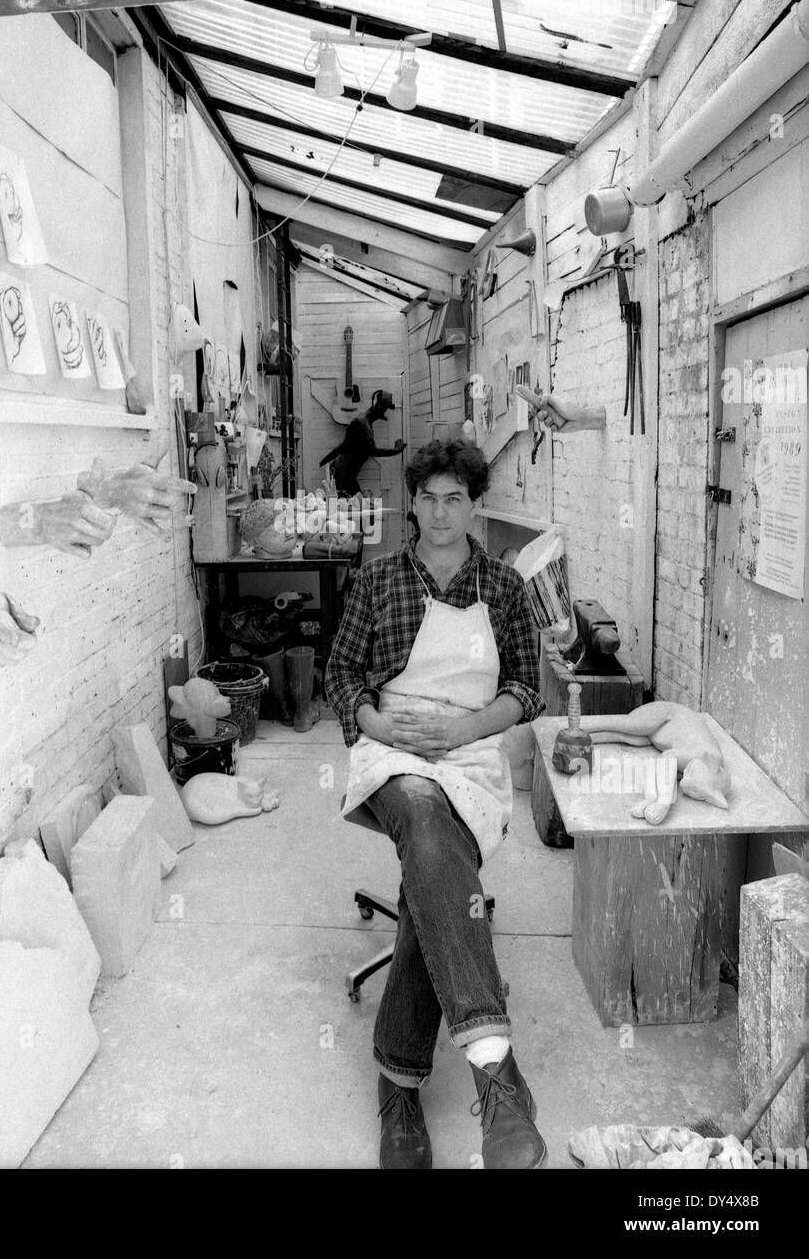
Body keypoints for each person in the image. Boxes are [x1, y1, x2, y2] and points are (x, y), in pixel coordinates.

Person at [324, 439, 546, 1170]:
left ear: (473, 503)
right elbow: (341, 671)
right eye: (430, 497)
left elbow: (525, 686)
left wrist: (466, 727)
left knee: (430, 873)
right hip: (392, 751)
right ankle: (496, 1073)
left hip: (472, 750)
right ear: (412, 502)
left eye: (457, 498)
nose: (443, 511)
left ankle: (398, 1088)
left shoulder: (504, 588)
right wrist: (375, 721)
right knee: (421, 809)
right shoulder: (379, 580)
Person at [319, 390, 406, 498]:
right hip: (341, 475)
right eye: (385, 408)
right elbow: (371, 451)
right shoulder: (360, 423)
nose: (385, 412)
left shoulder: (366, 424)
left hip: (349, 476)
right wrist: (395, 451)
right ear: (378, 406)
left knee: (358, 507)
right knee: (346, 509)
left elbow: (343, 447)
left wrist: (325, 460)